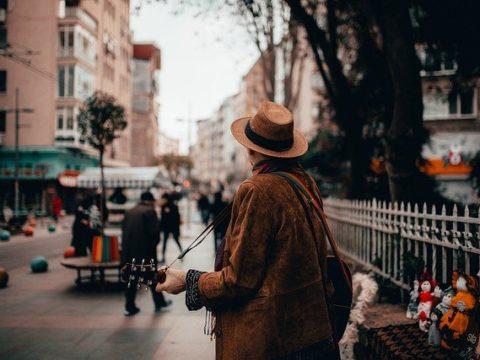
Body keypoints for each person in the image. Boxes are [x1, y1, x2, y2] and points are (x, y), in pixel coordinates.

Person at [156, 101, 339, 359]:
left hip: (275, 341)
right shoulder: (304, 182)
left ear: (250, 150)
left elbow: (240, 280)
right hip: (314, 332)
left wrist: (188, 280)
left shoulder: (257, 189)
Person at [121, 191, 171, 316]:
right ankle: (160, 302)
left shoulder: (129, 211)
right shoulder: (149, 211)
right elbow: (155, 233)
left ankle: (129, 306)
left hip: (128, 252)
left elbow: (124, 231)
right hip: (145, 253)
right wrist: (153, 246)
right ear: (150, 201)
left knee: (131, 278)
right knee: (152, 278)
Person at [159, 192, 183, 264]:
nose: (162, 200)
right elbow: (162, 218)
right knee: (165, 242)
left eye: (163, 199)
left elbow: (177, 217)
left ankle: (182, 254)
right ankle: (163, 257)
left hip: (173, 227)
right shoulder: (163, 206)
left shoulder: (174, 206)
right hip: (166, 227)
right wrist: (161, 228)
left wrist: (177, 228)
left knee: (176, 240)